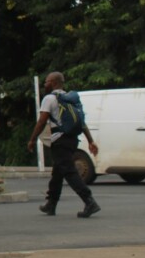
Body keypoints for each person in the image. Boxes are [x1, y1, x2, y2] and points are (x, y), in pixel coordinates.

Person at [27, 71, 101, 218]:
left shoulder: (49, 99)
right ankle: (51, 203)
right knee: (58, 173)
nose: (45, 84)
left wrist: (32, 139)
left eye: (47, 81)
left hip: (59, 140)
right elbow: (82, 122)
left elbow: (42, 121)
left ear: (54, 83)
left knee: (69, 172)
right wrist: (91, 141)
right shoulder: (69, 99)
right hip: (72, 139)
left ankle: (89, 201)